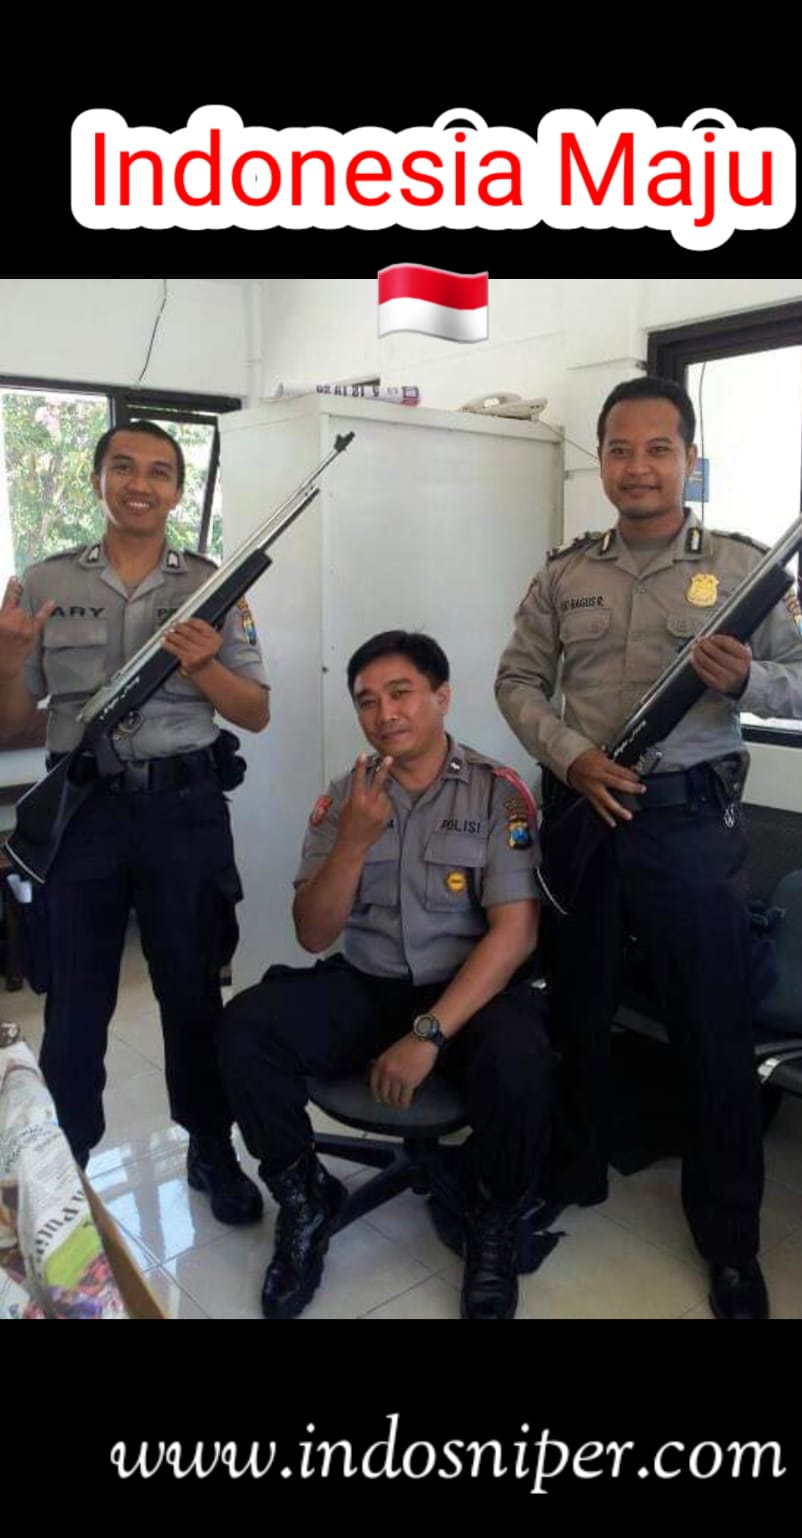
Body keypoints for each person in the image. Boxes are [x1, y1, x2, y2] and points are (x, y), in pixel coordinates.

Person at [495, 376, 802, 1320]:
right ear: (600, 459)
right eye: (618, 448)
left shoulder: (744, 569)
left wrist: (751, 676)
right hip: (584, 814)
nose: (636, 467)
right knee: (576, 1007)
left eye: (656, 449)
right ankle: (571, 1171)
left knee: (712, 1033)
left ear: (689, 459)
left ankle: (728, 1241)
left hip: (689, 827)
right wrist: (569, 754)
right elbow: (515, 680)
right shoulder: (564, 573)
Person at [218, 629, 557, 1320]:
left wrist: (427, 1035)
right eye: (367, 700)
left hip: (466, 994)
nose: (384, 713)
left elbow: (516, 933)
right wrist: (352, 841)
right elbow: (313, 933)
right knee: (246, 1028)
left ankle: (492, 1217)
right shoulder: (347, 796)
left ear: (441, 696)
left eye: (400, 692)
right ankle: (305, 1197)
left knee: (523, 1058)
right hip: (366, 983)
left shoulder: (497, 793)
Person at [0, 420, 269, 1225]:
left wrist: (204, 664)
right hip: (81, 815)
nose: (140, 484)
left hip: (182, 811)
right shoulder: (42, 581)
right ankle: (66, 1164)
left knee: (192, 992)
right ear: (98, 479)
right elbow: (10, 721)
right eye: (124, 467)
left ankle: (210, 1147)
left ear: (178, 491)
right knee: (74, 1003)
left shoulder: (213, 586)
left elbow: (254, 710)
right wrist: (8, 660)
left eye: (158, 471)